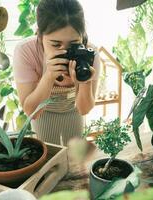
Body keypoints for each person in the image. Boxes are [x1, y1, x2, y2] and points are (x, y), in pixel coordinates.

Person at [13, 0, 100, 145]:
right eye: (55, 44)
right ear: (40, 37)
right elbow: (32, 112)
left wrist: (85, 81)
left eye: (74, 44)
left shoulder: (89, 54)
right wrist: (48, 76)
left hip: (74, 111)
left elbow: (84, 109)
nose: (64, 51)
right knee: (48, 157)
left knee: (75, 157)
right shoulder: (26, 51)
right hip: (43, 113)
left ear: (82, 37)